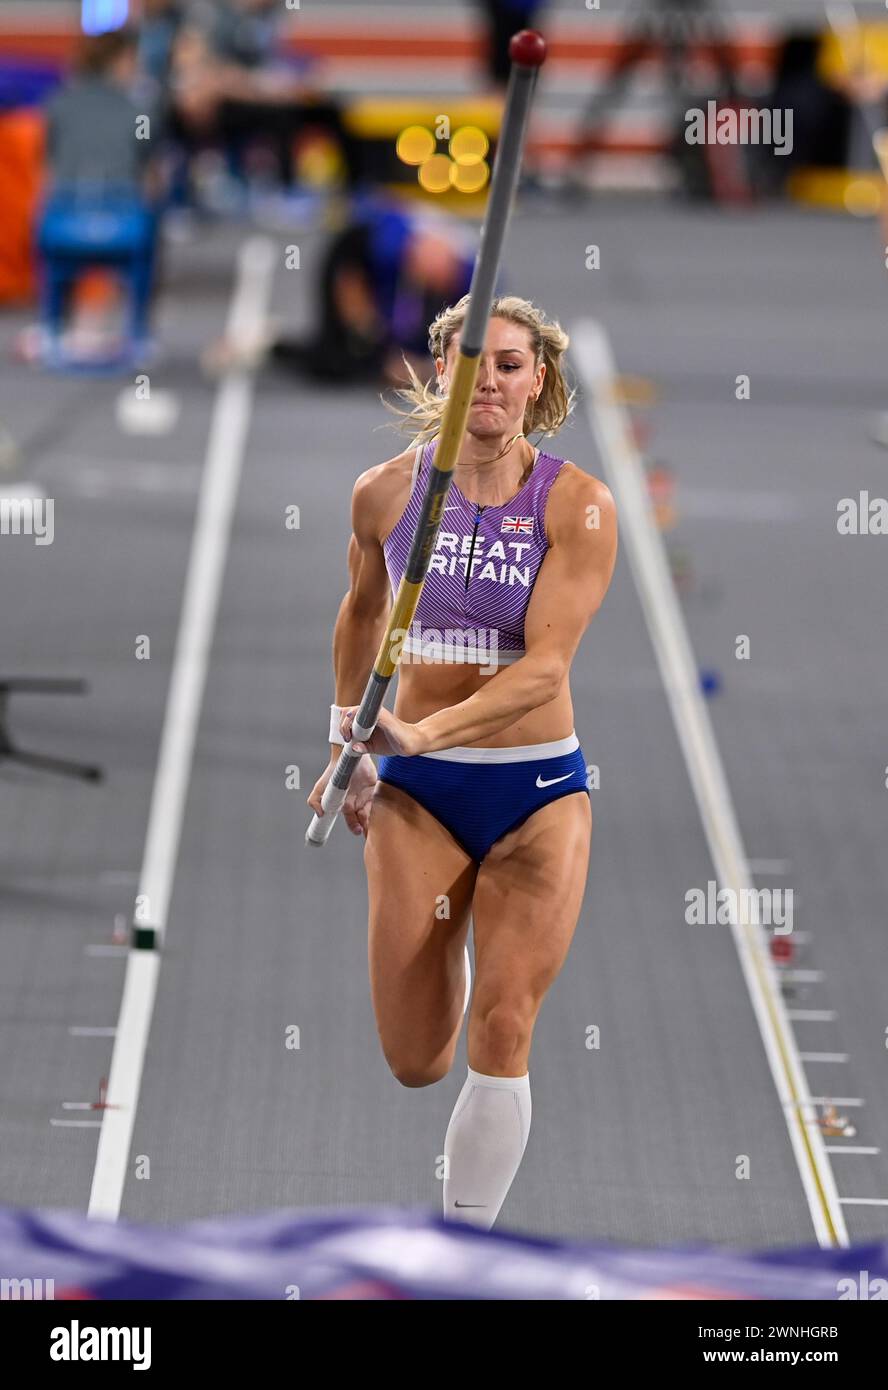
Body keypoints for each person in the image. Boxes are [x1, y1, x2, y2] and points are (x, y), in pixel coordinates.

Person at [307, 295, 618, 1229]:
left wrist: (426, 733)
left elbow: (546, 669)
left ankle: (462, 1255)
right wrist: (347, 745)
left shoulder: (578, 506)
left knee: (504, 1023)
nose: (491, 379)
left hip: (535, 792)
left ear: (541, 380)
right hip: (420, 798)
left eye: (511, 364)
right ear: (440, 369)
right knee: (417, 1059)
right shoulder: (384, 494)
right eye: (473, 359)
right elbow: (361, 613)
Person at [203, 197, 480, 385]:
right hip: (348, 262)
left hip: (382, 281)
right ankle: (267, 342)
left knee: (377, 356)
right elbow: (350, 277)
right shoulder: (390, 244)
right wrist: (363, 325)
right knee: (339, 357)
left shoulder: (471, 282)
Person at [37, 26, 161, 363]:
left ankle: (51, 328)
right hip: (123, 228)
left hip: (60, 224)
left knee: (52, 245)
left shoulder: (57, 103)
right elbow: (149, 172)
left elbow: (47, 168)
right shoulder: (140, 109)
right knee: (152, 221)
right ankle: (139, 333)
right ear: (121, 61)